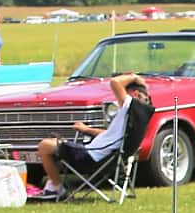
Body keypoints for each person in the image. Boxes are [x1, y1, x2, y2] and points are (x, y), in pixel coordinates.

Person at [33, 72, 147, 200]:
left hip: (91, 157)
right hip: (102, 157)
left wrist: (134, 77)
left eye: (124, 93)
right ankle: (53, 183)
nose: (119, 99)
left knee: (44, 146)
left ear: (135, 94)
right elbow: (111, 136)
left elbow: (114, 82)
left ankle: (56, 187)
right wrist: (87, 129)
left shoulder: (130, 106)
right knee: (53, 142)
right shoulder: (137, 117)